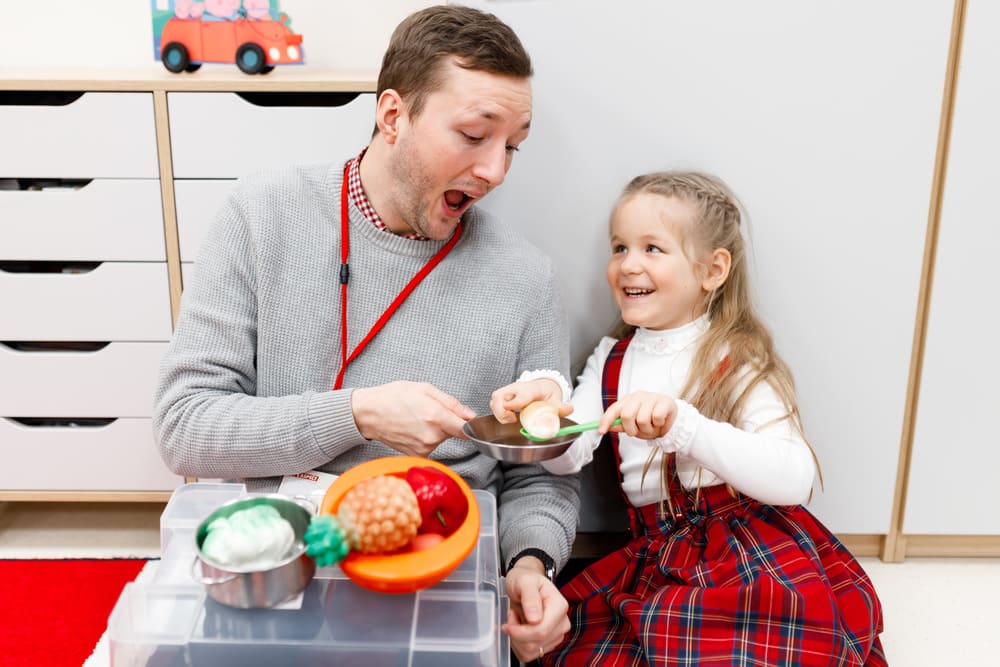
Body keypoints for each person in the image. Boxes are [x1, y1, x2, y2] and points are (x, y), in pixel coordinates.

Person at [152, 5, 578, 661]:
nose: (496, 171)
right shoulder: (261, 216)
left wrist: (530, 563)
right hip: (278, 563)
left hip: (438, 576)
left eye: (512, 145)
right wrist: (356, 413)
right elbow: (185, 426)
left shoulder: (527, 278)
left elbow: (541, 475)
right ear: (392, 116)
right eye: (474, 135)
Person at [490, 171, 887, 665]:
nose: (628, 264)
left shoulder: (736, 357)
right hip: (657, 559)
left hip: (745, 551)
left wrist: (685, 426)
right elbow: (569, 457)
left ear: (712, 270)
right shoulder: (610, 358)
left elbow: (794, 478)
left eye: (652, 248)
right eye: (619, 247)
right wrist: (540, 414)